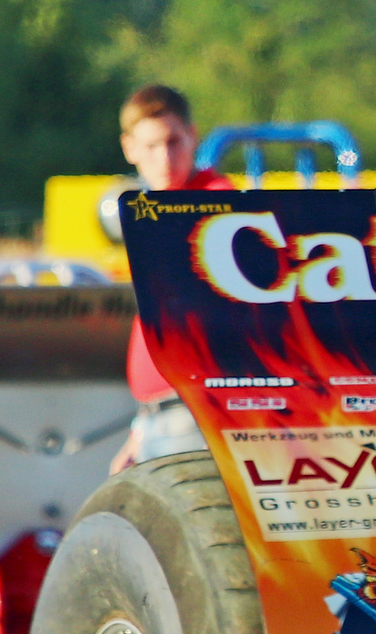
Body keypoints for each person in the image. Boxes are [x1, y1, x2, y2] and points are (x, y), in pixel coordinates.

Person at [110, 84, 234, 473]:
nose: (165, 157)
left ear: (193, 135)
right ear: (129, 148)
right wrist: (138, 431)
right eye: (150, 146)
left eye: (174, 142)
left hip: (197, 406)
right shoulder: (147, 210)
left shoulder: (219, 202)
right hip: (155, 412)